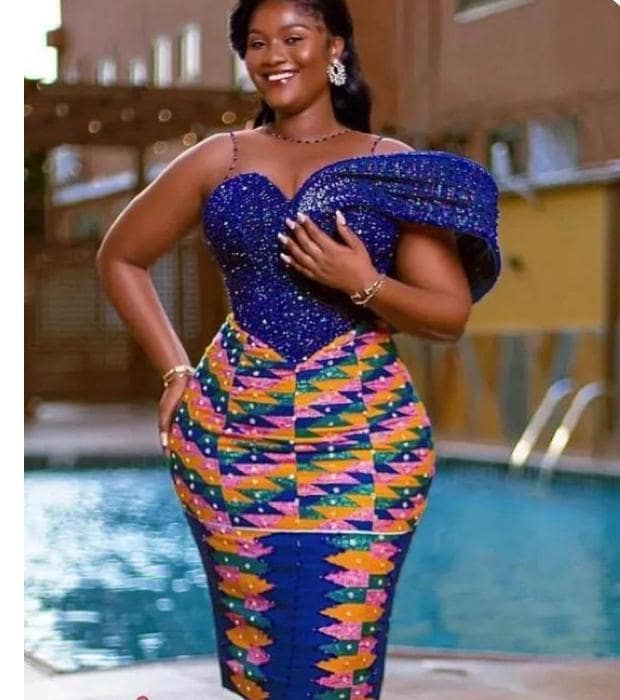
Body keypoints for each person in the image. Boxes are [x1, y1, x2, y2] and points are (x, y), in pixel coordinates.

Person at [96, 0, 500, 697]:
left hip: (363, 445)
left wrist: (361, 281)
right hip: (230, 440)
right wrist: (174, 370)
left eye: (293, 37)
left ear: (334, 46)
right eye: (256, 43)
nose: (273, 55)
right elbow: (121, 257)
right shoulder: (218, 158)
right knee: (261, 668)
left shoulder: (388, 165)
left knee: (334, 665)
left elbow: (449, 314)